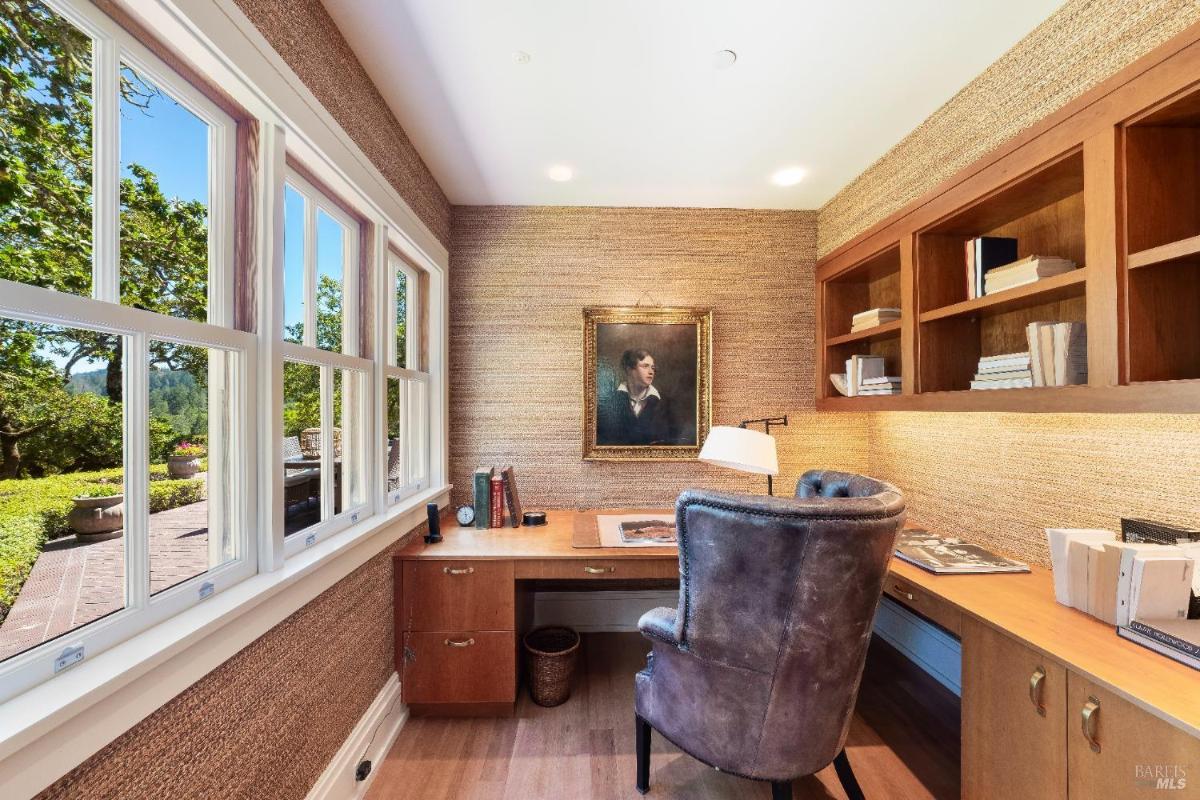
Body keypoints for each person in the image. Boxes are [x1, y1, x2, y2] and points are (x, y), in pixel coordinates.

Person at [596, 348, 679, 446]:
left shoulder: (665, 403)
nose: (651, 372)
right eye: (645, 366)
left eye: (652, 368)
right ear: (629, 370)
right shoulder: (609, 401)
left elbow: (674, 441)